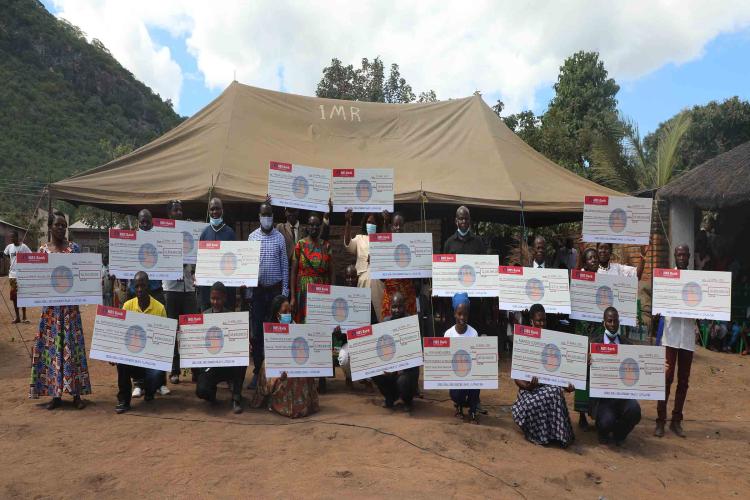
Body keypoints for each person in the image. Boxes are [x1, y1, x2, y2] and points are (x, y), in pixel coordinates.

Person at [29, 211, 92, 410]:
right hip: (51, 311)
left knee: (73, 350)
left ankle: (76, 394)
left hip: (70, 310)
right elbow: (37, 281)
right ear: (50, 227)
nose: (61, 228)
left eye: (64, 225)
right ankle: (55, 395)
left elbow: (82, 275)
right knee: (52, 351)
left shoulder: (74, 249)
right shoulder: (43, 251)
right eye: (57, 225)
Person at [511, 304, 575, 447]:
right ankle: (537, 434)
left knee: (555, 391)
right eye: (538, 320)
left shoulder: (552, 341)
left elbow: (559, 371)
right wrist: (527, 386)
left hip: (547, 386)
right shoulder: (523, 340)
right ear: (531, 321)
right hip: (528, 390)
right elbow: (517, 377)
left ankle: (557, 436)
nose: (541, 323)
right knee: (534, 402)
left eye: (544, 320)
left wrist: (567, 385)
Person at [250, 295, 319, 418]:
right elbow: (269, 355)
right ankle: (277, 402)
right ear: (277, 314)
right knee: (268, 366)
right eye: (284, 312)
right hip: (277, 364)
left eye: (289, 311)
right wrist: (279, 370)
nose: (288, 314)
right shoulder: (270, 330)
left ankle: (301, 405)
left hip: (295, 362)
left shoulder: (296, 326)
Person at [654, 244, 698, 438]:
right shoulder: (666, 279)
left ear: (688, 257)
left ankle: (676, 420)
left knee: (684, 380)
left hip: (687, 335)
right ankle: (660, 421)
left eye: (684, 254)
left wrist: (705, 312)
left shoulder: (696, 280)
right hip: (670, 336)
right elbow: (658, 306)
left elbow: (703, 307)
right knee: (666, 378)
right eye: (679, 254)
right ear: (675, 256)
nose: (681, 257)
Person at [246, 200, 289, 390]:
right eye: (264, 215)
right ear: (259, 217)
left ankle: (276, 369)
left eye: (270, 214)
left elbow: (285, 266)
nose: (267, 218)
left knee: (276, 330)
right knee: (257, 332)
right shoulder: (251, 237)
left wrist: (285, 292)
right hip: (257, 290)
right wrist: (248, 291)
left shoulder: (279, 238)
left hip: (274, 291)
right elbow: (247, 266)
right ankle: (257, 372)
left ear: (273, 216)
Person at [128, 208, 170, 397]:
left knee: (159, 335)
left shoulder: (160, 241)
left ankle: (161, 382)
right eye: (142, 222)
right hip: (134, 293)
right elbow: (122, 264)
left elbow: (170, 262)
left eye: (147, 222)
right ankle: (138, 383)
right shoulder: (128, 241)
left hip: (155, 291)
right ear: (138, 222)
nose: (144, 224)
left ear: (153, 222)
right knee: (135, 335)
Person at [115, 271, 168, 414]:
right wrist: (112, 353)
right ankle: (124, 400)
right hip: (133, 357)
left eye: (143, 286)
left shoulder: (159, 308)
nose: (139, 289)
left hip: (151, 358)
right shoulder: (127, 306)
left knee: (157, 373)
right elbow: (121, 335)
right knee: (121, 362)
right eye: (137, 286)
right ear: (133, 287)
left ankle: (150, 389)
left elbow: (164, 340)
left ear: (148, 286)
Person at [589, 307, 641, 445]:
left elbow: (638, 368)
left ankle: (619, 434)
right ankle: (603, 431)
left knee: (635, 411)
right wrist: (587, 363)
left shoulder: (628, 345)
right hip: (603, 398)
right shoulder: (593, 344)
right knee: (606, 422)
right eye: (609, 321)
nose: (612, 324)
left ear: (619, 322)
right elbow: (584, 373)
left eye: (615, 321)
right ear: (603, 322)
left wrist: (657, 369)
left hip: (623, 395)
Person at [162, 200, 199, 385]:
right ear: (169, 214)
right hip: (171, 289)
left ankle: (194, 369)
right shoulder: (162, 233)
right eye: (176, 210)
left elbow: (198, 257)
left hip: (189, 288)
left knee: (190, 330)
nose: (179, 212)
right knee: (172, 330)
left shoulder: (190, 231)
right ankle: (174, 370)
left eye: (181, 209)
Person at [195, 282, 246, 414]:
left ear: (225, 298)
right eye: (213, 298)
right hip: (211, 365)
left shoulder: (233, 317)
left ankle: (236, 398)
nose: (215, 302)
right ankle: (211, 394)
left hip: (228, 364)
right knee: (201, 391)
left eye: (218, 298)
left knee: (242, 358)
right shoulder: (204, 315)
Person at [371, 292, 420, 412]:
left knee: (403, 380)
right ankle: (389, 398)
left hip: (406, 371)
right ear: (390, 307)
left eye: (399, 306)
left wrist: (398, 369)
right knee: (373, 372)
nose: (396, 310)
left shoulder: (411, 324)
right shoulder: (384, 323)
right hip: (390, 368)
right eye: (394, 306)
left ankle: (407, 400)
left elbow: (415, 355)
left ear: (404, 307)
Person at [443, 206, 487, 334]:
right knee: (456, 334)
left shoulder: (478, 243)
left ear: (470, 221)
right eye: (461, 219)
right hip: (454, 299)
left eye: (466, 219)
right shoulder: (449, 243)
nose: (463, 222)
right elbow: (444, 271)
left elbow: (484, 269)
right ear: (456, 220)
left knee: (473, 333)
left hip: (474, 299)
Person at [573, 247, 603, 430]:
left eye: (596, 258)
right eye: (590, 258)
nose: (594, 260)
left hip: (599, 331)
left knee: (598, 372)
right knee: (583, 373)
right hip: (583, 330)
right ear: (585, 262)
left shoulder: (606, 281)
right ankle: (582, 414)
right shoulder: (579, 279)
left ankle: (598, 411)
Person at [290, 212, 334, 323]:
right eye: (311, 224)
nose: (314, 227)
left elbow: (332, 272)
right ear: (307, 227)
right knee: (303, 324)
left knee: (319, 322)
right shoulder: (300, 245)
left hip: (322, 291)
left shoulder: (326, 246)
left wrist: (333, 293)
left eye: (317, 225)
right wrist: (293, 297)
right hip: (303, 290)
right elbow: (293, 272)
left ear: (320, 227)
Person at [344, 208, 385, 322]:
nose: (370, 224)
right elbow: (348, 245)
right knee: (361, 319)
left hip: (377, 285)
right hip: (362, 282)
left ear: (378, 225)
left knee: (378, 317)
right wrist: (348, 223)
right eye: (368, 222)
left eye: (373, 222)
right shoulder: (359, 238)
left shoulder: (383, 240)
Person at [445, 292, 481, 424]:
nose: (462, 317)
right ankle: (459, 407)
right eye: (459, 313)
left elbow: (477, 358)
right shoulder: (448, 334)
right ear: (454, 313)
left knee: (476, 383)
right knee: (457, 391)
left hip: (470, 373)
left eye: (465, 314)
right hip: (455, 374)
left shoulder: (474, 333)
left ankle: (472, 410)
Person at [199, 197, 237, 311]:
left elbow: (236, 261)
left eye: (217, 209)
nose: (215, 212)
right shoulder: (204, 234)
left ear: (222, 210)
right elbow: (200, 261)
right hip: (207, 291)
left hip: (227, 290)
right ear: (208, 211)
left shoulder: (230, 233)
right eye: (212, 209)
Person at [380, 211, 418, 319]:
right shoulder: (385, 248)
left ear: (404, 226)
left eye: (401, 225)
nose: (398, 228)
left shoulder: (412, 246)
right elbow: (382, 279)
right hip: (391, 297)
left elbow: (417, 274)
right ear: (391, 227)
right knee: (390, 329)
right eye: (395, 225)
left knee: (407, 330)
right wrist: (375, 264)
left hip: (408, 296)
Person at [3, 230, 31, 323]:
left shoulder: (24, 247)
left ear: (17, 237)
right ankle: (17, 317)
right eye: (10, 237)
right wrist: (9, 264)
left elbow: (30, 256)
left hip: (22, 275)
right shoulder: (9, 247)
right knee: (14, 297)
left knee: (23, 295)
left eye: (13, 237)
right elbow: (5, 254)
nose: (11, 239)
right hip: (12, 275)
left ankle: (24, 317)